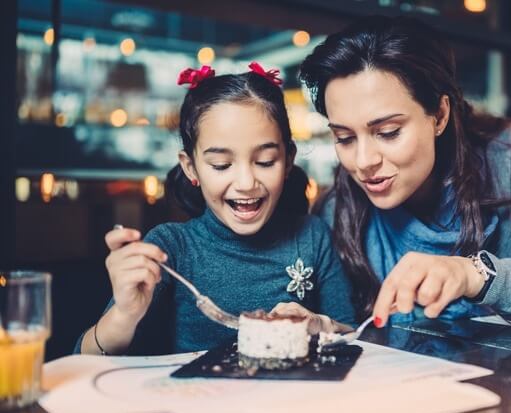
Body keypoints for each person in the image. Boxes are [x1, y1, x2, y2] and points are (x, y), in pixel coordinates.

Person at [297, 16, 511, 329]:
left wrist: (472, 274)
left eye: (389, 132)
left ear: (440, 115)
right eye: (344, 138)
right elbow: (351, 329)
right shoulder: (337, 207)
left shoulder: (507, 155)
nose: (363, 161)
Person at [77, 63, 355, 355]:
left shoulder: (312, 237)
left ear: (288, 160)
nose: (246, 183)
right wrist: (124, 315)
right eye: (221, 165)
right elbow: (80, 359)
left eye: (265, 161)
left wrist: (318, 324)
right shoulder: (171, 249)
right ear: (191, 167)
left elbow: (355, 339)